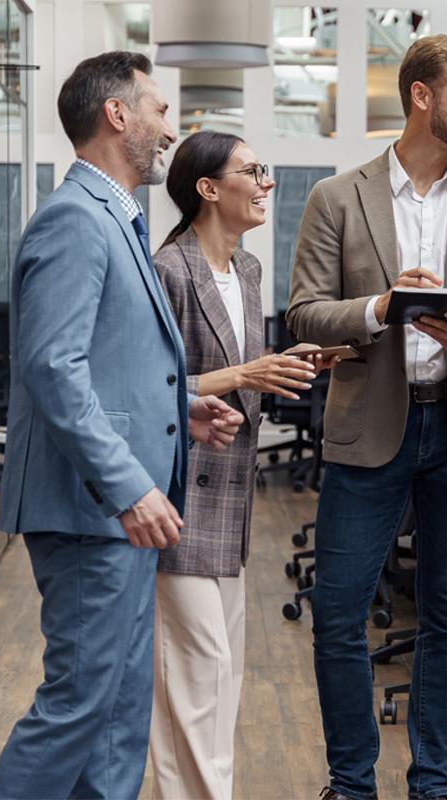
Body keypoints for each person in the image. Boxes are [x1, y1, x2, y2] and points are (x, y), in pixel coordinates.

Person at [288, 34, 447, 800]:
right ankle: (352, 782)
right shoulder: (338, 197)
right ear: (422, 96)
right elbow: (303, 314)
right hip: (371, 430)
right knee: (336, 614)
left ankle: (431, 783)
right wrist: (381, 305)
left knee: (444, 614)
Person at [0, 52, 243, 800]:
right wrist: (132, 485)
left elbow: (112, 360)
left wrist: (180, 408)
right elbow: (53, 369)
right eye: (159, 111)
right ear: (117, 115)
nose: (170, 129)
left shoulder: (116, 219)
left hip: (120, 516)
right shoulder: (74, 220)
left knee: (118, 712)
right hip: (92, 506)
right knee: (80, 704)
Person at [147, 130, 334, 800]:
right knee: (200, 670)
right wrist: (245, 373)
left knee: (218, 678)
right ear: (207, 189)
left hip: (233, 496)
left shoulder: (248, 270)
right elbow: (148, 387)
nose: (266, 183)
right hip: (178, 494)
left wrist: (296, 363)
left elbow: (242, 377)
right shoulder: (169, 270)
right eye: (253, 171)